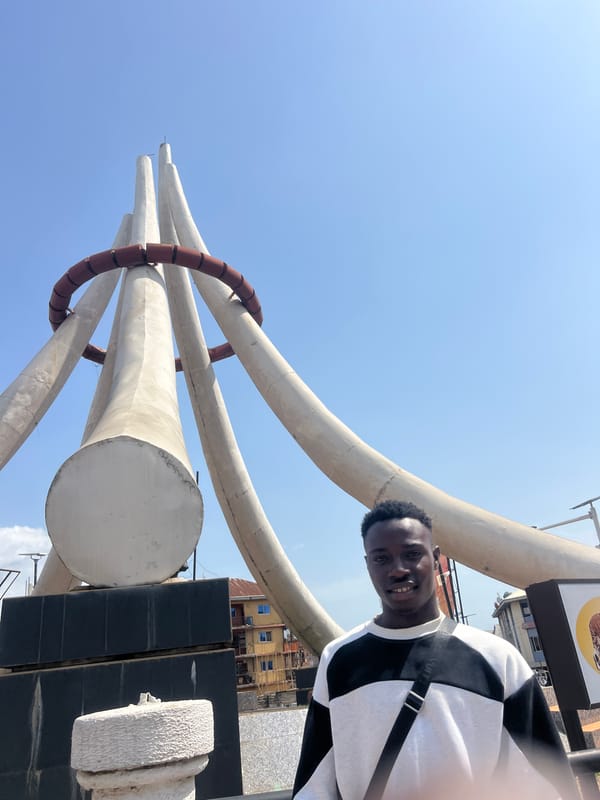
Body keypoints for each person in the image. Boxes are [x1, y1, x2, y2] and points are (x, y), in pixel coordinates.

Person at [292, 500, 575, 800]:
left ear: (436, 558)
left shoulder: (497, 659)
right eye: (381, 558)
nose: (398, 570)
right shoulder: (339, 660)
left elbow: (547, 785)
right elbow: (315, 786)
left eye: (412, 554)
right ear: (367, 565)